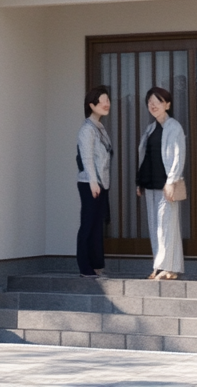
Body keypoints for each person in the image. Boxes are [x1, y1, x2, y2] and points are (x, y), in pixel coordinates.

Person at [136, 86, 185, 280]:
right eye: (150, 101)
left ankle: (168, 267)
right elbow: (145, 157)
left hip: (167, 184)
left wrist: (172, 180)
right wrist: (139, 182)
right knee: (155, 226)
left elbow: (178, 156)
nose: (152, 105)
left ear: (167, 104)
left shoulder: (174, 127)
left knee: (167, 225)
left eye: (157, 101)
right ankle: (161, 266)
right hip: (150, 183)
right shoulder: (150, 129)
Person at [76, 85, 113, 277]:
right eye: (103, 101)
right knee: (88, 224)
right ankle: (85, 267)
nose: (107, 104)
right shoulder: (87, 130)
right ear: (92, 105)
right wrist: (92, 182)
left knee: (98, 225)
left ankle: (97, 265)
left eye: (108, 100)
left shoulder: (100, 127)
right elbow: (87, 157)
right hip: (90, 183)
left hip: (101, 183)